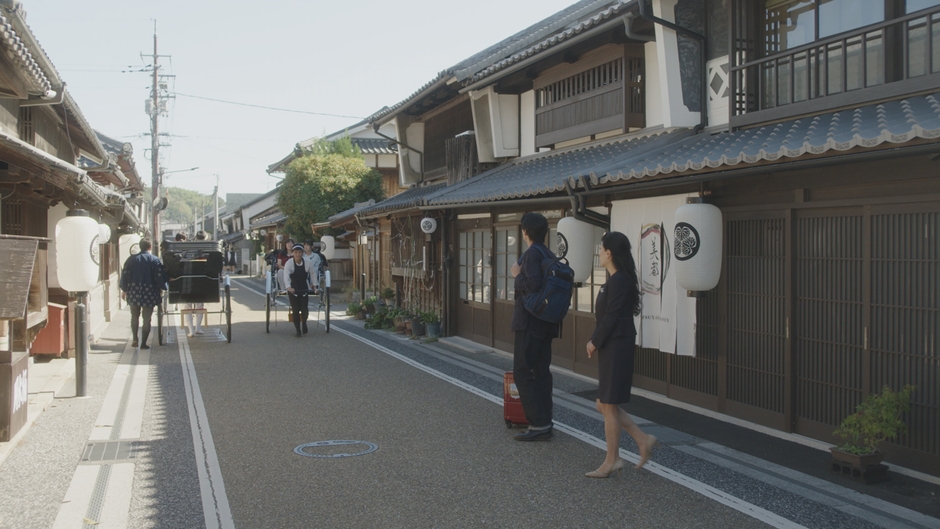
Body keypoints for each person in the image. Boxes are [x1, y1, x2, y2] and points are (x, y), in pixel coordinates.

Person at [584, 231, 658, 477]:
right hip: (613, 345)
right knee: (603, 404)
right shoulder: (616, 279)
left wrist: (594, 341)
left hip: (617, 345)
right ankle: (641, 439)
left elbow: (612, 316)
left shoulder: (619, 280)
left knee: (607, 403)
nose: (599, 253)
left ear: (609, 253)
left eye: (601, 248)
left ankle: (612, 459)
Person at [510, 212, 559, 441]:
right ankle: (545, 421)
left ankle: (538, 423)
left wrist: (516, 275)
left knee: (522, 371)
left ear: (525, 232)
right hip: (546, 321)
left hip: (529, 321)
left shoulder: (531, 254)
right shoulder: (548, 253)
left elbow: (532, 284)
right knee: (541, 372)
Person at [120, 239, 168, 349]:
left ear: (140, 247)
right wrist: (164, 286)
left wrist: (124, 290)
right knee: (147, 318)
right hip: (150, 293)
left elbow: (125, 275)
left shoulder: (131, 260)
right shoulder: (154, 260)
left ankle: (135, 338)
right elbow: (160, 277)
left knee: (134, 316)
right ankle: (143, 343)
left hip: (133, 292)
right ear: (150, 247)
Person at [283, 244, 315, 336]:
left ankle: (304, 323)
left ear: (303, 253)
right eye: (296, 252)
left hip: (304, 287)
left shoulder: (308, 262)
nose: (298, 254)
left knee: (305, 309)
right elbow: (286, 276)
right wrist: (289, 287)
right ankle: (297, 330)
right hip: (293, 288)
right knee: (295, 310)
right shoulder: (289, 263)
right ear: (293, 253)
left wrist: (315, 286)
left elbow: (313, 274)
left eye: (300, 252)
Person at [185, 230, 209, 338]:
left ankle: (191, 330)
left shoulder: (189, 248)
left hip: (188, 278)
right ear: (205, 238)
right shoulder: (209, 248)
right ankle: (198, 328)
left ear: (195, 238)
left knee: (187, 305)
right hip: (204, 280)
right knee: (200, 305)